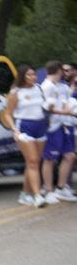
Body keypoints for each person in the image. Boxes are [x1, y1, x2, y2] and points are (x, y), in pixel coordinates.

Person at [2, 65, 48, 208]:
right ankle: (37, 195)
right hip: (24, 127)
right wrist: (15, 130)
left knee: (34, 162)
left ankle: (24, 194)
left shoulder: (39, 88)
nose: (33, 77)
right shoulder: (16, 92)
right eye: (29, 75)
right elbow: (8, 113)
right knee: (33, 161)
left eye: (34, 74)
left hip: (40, 126)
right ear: (23, 76)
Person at [40, 61, 77, 203]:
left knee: (69, 156)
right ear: (58, 70)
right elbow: (46, 108)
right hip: (52, 126)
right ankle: (49, 190)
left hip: (64, 124)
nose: (65, 73)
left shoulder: (60, 86)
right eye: (63, 70)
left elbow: (67, 98)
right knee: (49, 158)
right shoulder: (46, 87)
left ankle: (61, 188)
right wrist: (65, 112)